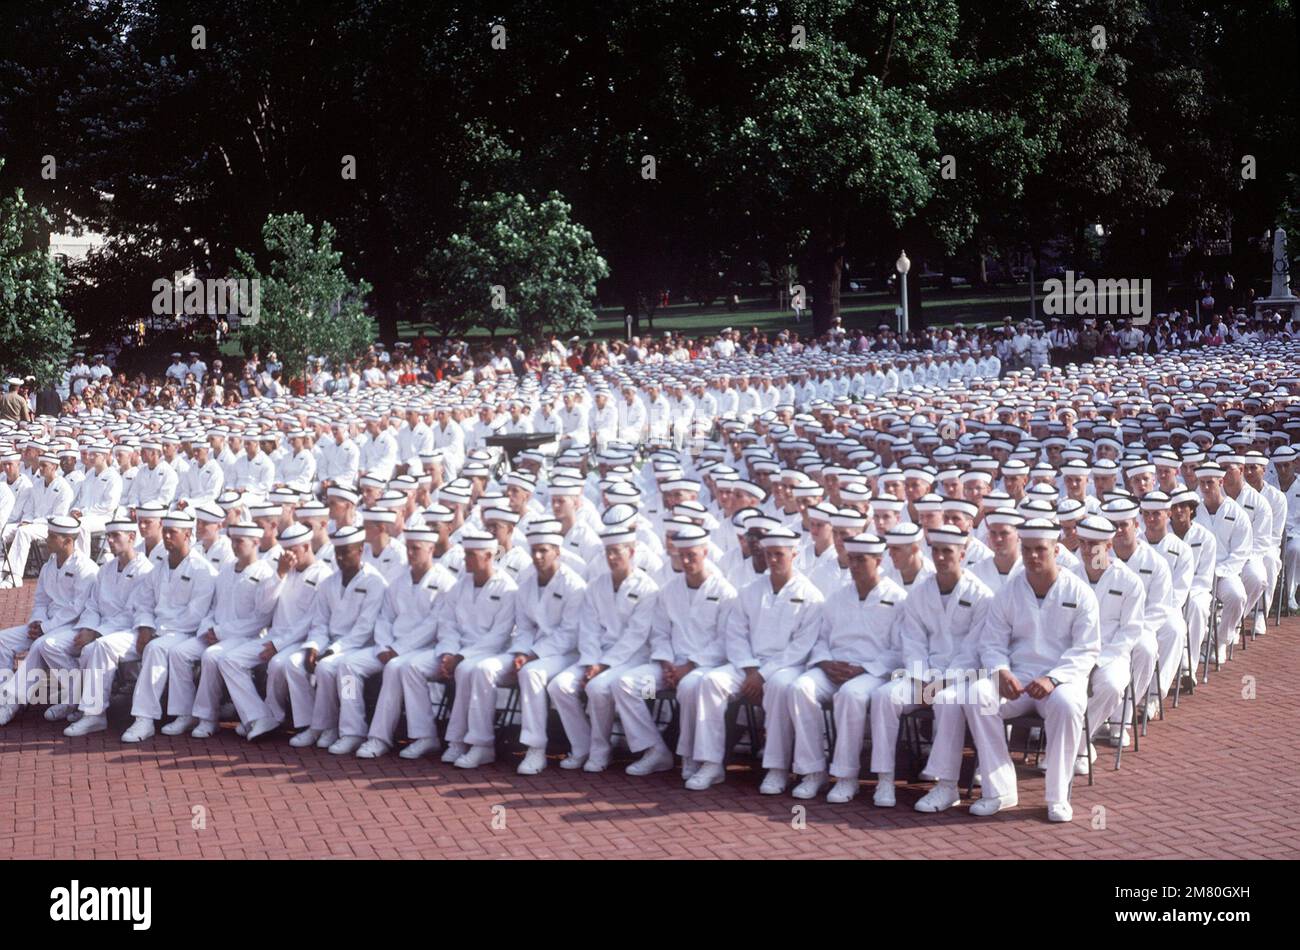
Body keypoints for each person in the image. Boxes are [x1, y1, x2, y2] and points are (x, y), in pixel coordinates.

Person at [965, 518, 1100, 822]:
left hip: (1062, 680)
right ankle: (999, 790)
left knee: (1067, 705)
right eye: (1027, 549)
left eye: (1041, 549)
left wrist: (1054, 678)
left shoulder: (1080, 593)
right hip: (1018, 677)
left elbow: (1087, 648)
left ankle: (1057, 796)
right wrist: (1000, 670)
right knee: (977, 695)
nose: (1033, 556)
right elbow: (991, 642)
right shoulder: (1009, 591)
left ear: (1056, 549)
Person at [690, 526, 824, 793]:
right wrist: (751, 669)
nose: (772, 560)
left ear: (794, 555)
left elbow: (801, 646)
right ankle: (711, 763)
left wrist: (763, 674)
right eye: (768, 554)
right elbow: (736, 633)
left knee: (779, 686)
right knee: (710, 682)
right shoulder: (750, 591)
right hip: (748, 664)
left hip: (788, 667)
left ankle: (777, 768)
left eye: (779, 554)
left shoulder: (811, 595)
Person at [786, 532, 907, 803]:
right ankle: (812, 771)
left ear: (878, 560)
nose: (853, 566)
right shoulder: (837, 597)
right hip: (832, 667)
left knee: (851, 695)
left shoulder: (898, 599)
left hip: (872, 673)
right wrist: (826, 662)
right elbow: (820, 638)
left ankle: (845, 777)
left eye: (861, 560)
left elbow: (899, 650)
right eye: (850, 559)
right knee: (800, 687)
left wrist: (865, 669)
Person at [615, 523, 735, 780]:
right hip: (668, 669)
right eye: (682, 555)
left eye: (693, 554)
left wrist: (689, 666)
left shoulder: (725, 592)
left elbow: (725, 642)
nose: (687, 560)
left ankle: (693, 757)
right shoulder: (669, 590)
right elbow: (660, 633)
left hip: (705, 668)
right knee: (626, 684)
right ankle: (656, 750)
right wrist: (667, 663)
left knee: (690, 686)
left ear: (705, 553)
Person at [333, 526, 458, 757]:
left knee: (397, 668)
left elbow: (434, 625)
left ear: (431, 549)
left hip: (427, 649)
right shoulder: (399, 582)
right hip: (390, 647)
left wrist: (397, 649)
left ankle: (384, 737)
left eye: (416, 549)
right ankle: (351, 730)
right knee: (347, 666)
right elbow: (384, 618)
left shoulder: (446, 583)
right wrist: (383, 646)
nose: (410, 553)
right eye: (409, 548)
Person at [547, 524, 658, 773]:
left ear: (631, 551)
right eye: (607, 552)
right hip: (595, 657)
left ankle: (600, 750)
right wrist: (591, 661)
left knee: (598, 688)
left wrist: (604, 665)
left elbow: (636, 636)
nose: (610, 558)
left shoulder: (647, 588)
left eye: (616, 552)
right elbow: (588, 629)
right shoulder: (596, 586)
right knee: (559, 686)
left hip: (634, 658)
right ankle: (582, 746)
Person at [118, 510, 220, 743]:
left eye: (172, 533)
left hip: (188, 632)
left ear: (187, 535)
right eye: (165, 532)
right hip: (159, 631)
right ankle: (184, 713)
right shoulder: (160, 568)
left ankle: (144, 718)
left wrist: (157, 632)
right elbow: (143, 602)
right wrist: (145, 627)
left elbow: (196, 614)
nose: (166, 538)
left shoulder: (202, 570)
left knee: (158, 649)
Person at [0, 516, 96, 724]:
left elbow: (75, 609)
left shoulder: (86, 568)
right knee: (3, 640)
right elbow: (41, 600)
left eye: (52, 536)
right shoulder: (49, 566)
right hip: (47, 623)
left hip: (72, 626)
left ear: (67, 541)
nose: (46, 539)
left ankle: (12, 701)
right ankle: (4, 691)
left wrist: (45, 628)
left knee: (41, 646)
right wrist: (37, 621)